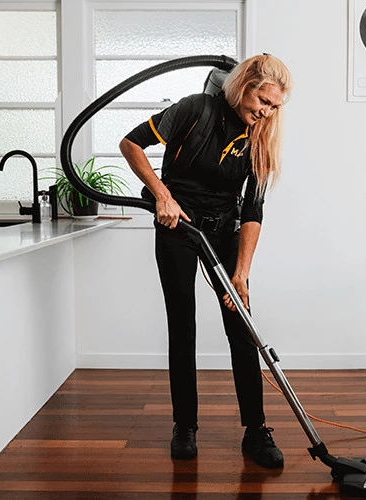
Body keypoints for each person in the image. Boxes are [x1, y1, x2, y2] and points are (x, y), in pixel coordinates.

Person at [119, 54, 293, 469]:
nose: (265, 112)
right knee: (183, 323)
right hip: (178, 225)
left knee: (242, 326)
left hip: (225, 231)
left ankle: (255, 431)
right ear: (243, 84)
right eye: (261, 101)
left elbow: (253, 210)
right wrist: (162, 195)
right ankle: (185, 426)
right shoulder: (194, 109)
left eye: (273, 107)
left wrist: (242, 272)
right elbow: (131, 143)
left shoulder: (261, 137)